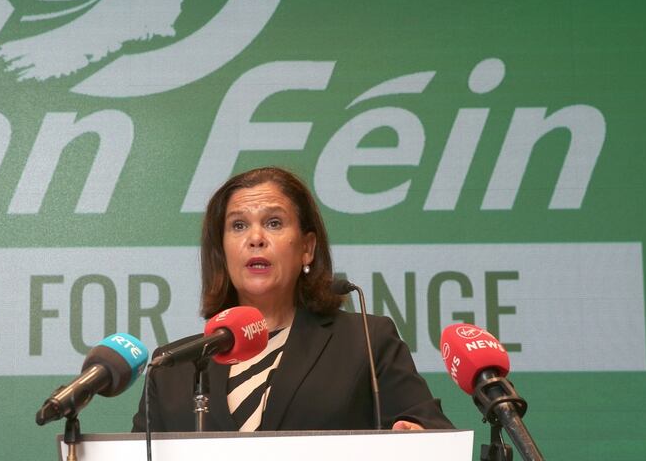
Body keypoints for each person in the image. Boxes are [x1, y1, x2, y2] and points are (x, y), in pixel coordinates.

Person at [132, 166, 453, 432]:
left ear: (307, 248)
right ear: (222, 250)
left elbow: (432, 432)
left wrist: (417, 436)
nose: (255, 239)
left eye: (273, 223)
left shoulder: (366, 343)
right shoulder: (172, 367)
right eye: (238, 225)